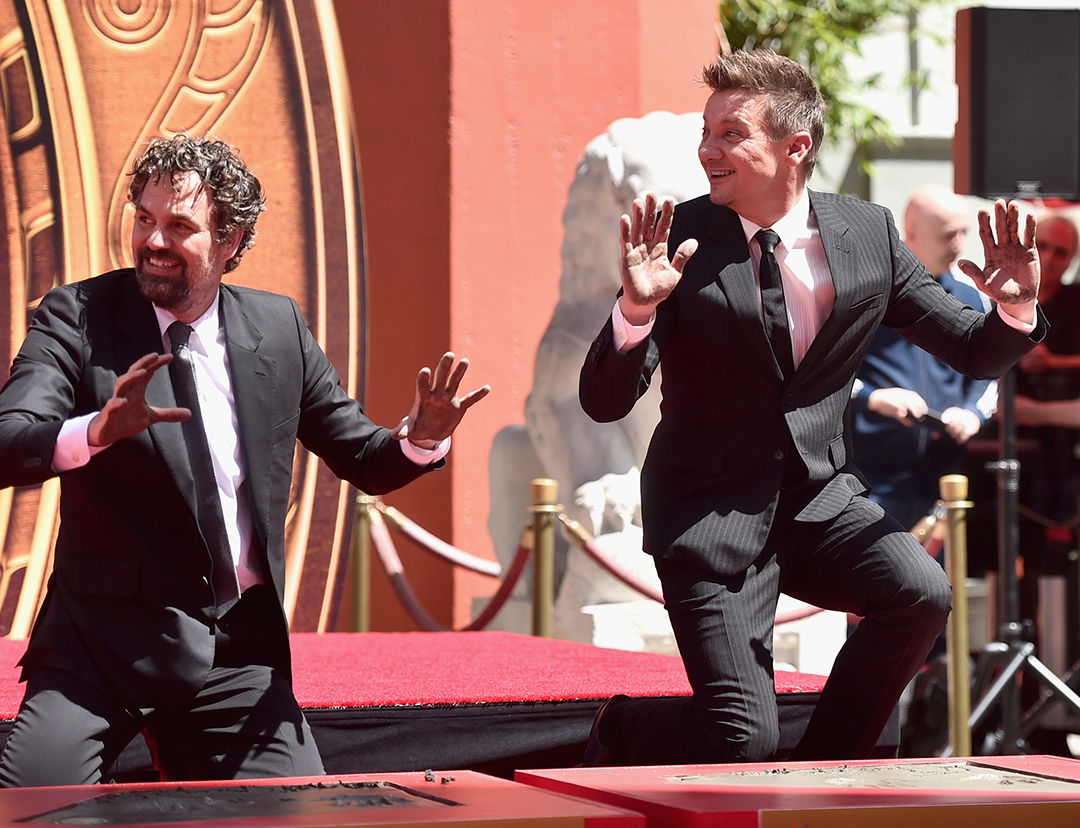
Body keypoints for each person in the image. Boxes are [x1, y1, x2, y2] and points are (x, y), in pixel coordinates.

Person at [578, 49, 1044, 765]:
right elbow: (605, 401)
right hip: (709, 515)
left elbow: (972, 349)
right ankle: (619, 729)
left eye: (731, 134)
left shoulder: (867, 233)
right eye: (706, 133)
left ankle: (832, 764)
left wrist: (1014, 308)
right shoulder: (676, 240)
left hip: (821, 505)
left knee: (920, 593)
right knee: (739, 740)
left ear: (795, 147)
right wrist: (636, 311)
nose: (708, 150)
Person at [0, 135, 489, 786]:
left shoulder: (277, 328)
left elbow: (361, 455)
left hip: (233, 654)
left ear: (229, 241)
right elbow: (9, 440)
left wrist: (420, 440)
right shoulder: (77, 316)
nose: (153, 240)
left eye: (180, 227)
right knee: (27, 807)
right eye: (144, 218)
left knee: (296, 814)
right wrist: (93, 432)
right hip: (100, 646)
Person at [850, 183, 996, 531]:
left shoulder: (972, 296)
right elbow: (821, 372)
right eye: (948, 235)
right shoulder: (865, 291)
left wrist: (972, 413)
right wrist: (872, 398)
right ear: (912, 231)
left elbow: (989, 373)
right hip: (870, 475)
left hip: (943, 476)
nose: (959, 245)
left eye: (963, 232)